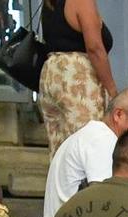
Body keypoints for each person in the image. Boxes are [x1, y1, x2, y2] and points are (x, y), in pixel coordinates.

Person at [37, 0, 118, 149]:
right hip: (77, 77)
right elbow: (94, 48)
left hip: (51, 73)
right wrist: (113, 91)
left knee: (61, 151)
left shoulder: (50, 3)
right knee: (89, 145)